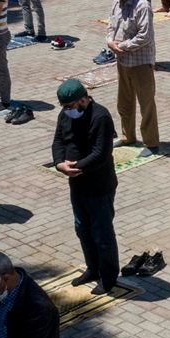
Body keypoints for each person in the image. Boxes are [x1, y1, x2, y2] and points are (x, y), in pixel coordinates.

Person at [52, 79, 119, 291]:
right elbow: (58, 141)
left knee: (102, 233)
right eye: (64, 107)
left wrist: (76, 167)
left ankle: (108, 278)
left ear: (83, 100)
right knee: (82, 229)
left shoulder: (101, 116)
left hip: (99, 186)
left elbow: (101, 153)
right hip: (78, 185)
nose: (66, 111)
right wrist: (59, 164)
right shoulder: (65, 115)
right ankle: (93, 269)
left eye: (70, 107)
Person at [106, 0, 159, 156]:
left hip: (140, 61)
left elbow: (144, 36)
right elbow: (111, 26)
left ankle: (151, 142)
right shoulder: (116, 2)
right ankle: (128, 136)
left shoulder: (142, 6)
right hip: (122, 60)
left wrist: (124, 46)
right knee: (124, 102)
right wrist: (110, 42)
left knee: (146, 104)